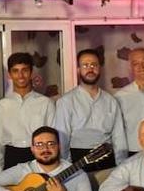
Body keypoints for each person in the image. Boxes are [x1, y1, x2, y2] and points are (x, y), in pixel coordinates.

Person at [54, 48, 127, 177]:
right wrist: (67, 168)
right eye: (85, 65)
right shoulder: (66, 101)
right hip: (77, 160)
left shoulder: (111, 101)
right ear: (78, 69)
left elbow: (119, 136)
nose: (90, 69)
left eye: (94, 65)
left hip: (107, 159)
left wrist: (121, 167)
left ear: (100, 68)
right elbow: (62, 138)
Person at [0, 52, 55, 171]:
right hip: (11, 157)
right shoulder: (1, 106)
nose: (20, 75)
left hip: (39, 156)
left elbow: (53, 139)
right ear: (9, 75)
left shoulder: (46, 103)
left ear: (31, 73)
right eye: (15, 71)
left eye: (24, 70)